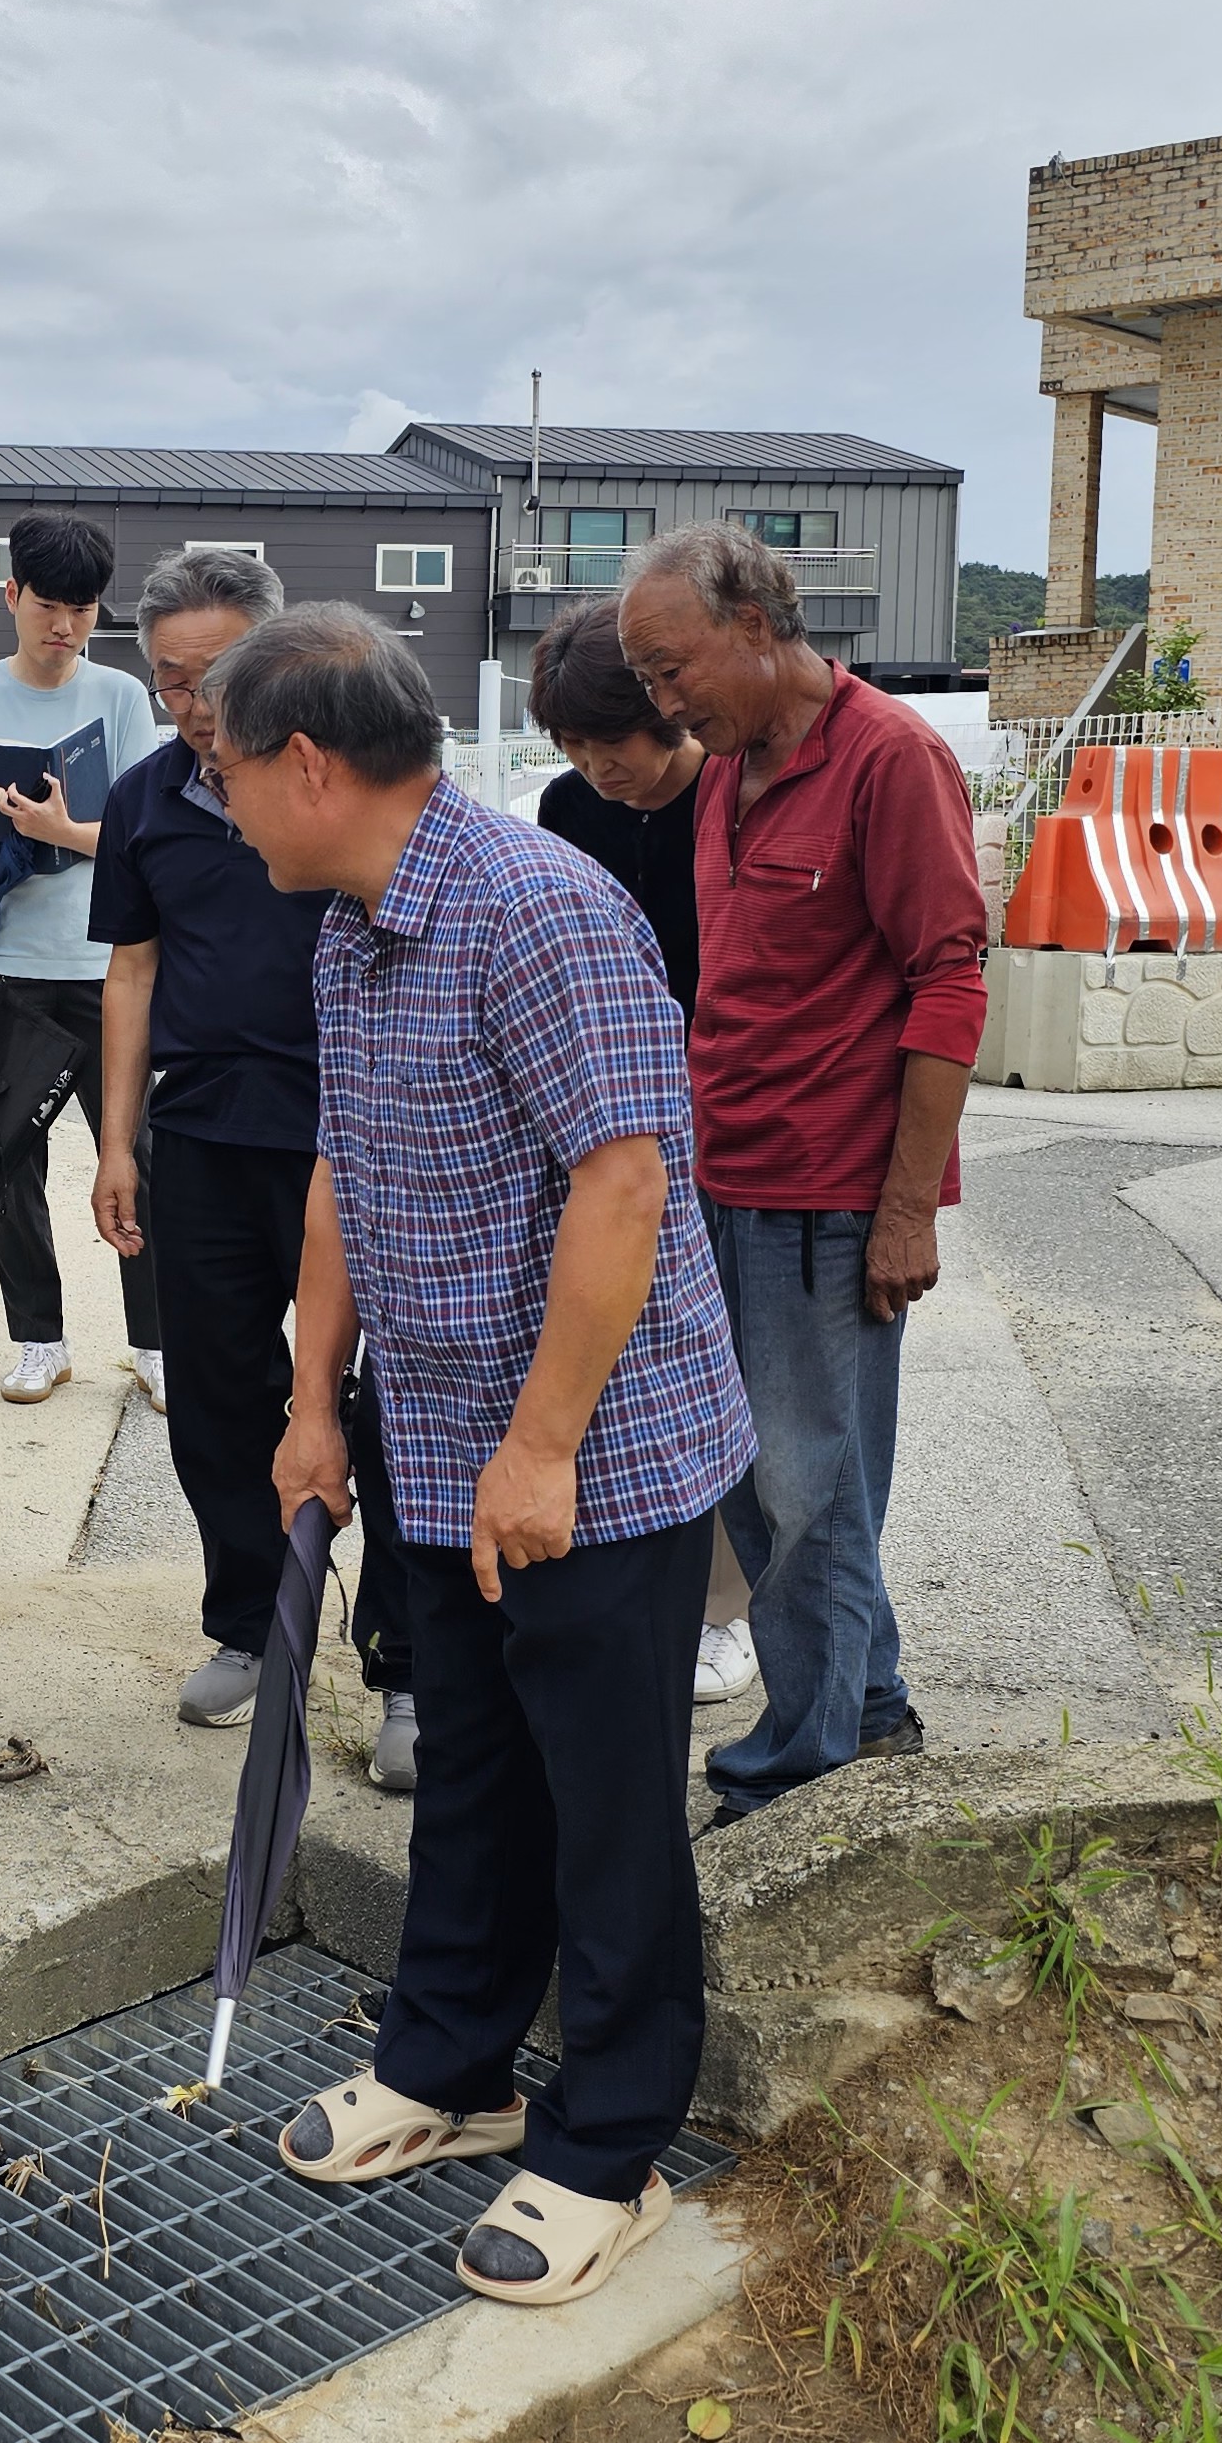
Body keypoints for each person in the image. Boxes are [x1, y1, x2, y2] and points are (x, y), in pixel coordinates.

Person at [215, 607, 750, 2311]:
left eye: (226, 770)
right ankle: (452, 2063)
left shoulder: (540, 914)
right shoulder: (353, 927)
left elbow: (626, 1184)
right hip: (440, 1438)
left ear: (308, 765)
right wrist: (313, 1403)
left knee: (604, 1801)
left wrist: (542, 1448)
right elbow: (342, 1174)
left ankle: (609, 2142)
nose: (217, 801)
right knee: (471, 1767)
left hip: (591, 1452)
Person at [617, 523, 983, 1825]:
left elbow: (950, 981)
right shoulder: (726, 773)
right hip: (725, 1171)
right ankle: (865, 1702)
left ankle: (808, 1760)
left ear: (760, 627)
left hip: (831, 1195)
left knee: (809, 1481)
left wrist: (903, 1215)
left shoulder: (893, 759)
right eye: (645, 680)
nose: (662, 703)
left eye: (674, 670)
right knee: (750, 1475)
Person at [86, 544, 414, 1778]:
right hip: (207, 1135)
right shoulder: (146, 798)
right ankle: (247, 1621)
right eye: (170, 680)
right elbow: (131, 969)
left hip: (356, 1134)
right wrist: (119, 1143)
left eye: (216, 673)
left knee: (389, 1408)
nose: (194, 703)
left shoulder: (339, 785)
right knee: (219, 1396)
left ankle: (405, 1665)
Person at [525, 598, 754, 1718]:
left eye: (604, 739)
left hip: (730, 1122)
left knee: (723, 1380)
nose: (590, 766)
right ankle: (665, 1598)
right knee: (627, 1372)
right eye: (567, 747)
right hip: (620, 1124)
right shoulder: (568, 810)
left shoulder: (735, 797)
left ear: (660, 714)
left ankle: (725, 1611)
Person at [0, 512, 168, 1408]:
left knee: (132, 1152)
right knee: (7, 1163)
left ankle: (154, 1341)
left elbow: (148, 835)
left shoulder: (123, 696)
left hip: (108, 966)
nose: (64, 627)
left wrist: (60, 830)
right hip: (6, 965)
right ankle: (39, 1339)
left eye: (84, 609)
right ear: (11, 596)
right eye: (48, 605)